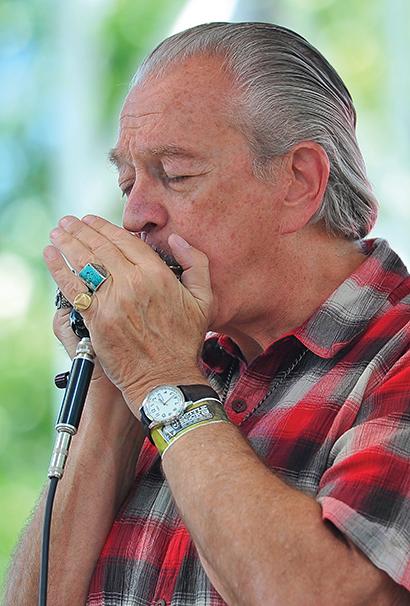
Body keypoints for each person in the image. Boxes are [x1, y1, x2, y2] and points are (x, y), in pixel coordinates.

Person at [4, 21, 410, 606]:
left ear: (299, 182)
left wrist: (163, 382)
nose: (135, 216)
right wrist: (117, 390)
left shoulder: (395, 351)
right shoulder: (173, 357)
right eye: (127, 181)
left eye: (175, 174)